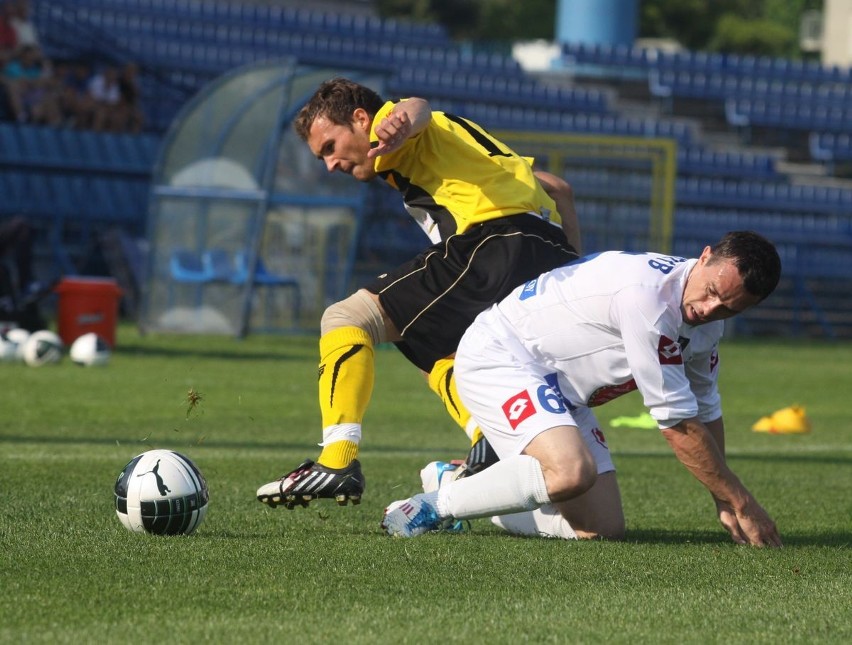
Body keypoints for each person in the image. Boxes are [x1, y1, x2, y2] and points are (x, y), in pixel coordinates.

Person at [256, 77, 581, 510]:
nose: (329, 164)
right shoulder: (463, 147)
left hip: (495, 242)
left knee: (345, 318)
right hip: (546, 251)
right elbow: (558, 187)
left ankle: (337, 461)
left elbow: (415, 108)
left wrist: (399, 122)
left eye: (330, 147)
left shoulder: (392, 132)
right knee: (428, 341)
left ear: (360, 119)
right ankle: (489, 440)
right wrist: (576, 265)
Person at [382, 231, 784, 548]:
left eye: (731, 307)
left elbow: (705, 408)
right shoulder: (648, 300)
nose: (711, 310)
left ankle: (456, 486)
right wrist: (741, 501)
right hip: (502, 356)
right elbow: (677, 423)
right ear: (705, 255)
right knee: (571, 471)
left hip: (560, 388)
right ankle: (428, 508)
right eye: (713, 291)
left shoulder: (708, 325)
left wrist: (723, 496)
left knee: (600, 528)